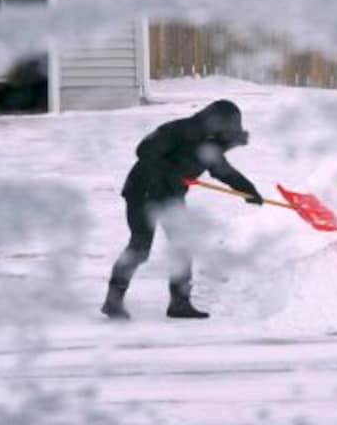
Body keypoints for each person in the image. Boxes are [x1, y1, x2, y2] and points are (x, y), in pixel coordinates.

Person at [101, 99, 263, 320]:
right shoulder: (179, 130)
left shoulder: (210, 145)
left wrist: (248, 190)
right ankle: (113, 302)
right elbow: (144, 150)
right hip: (144, 191)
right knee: (140, 247)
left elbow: (223, 171)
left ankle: (179, 304)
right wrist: (170, 173)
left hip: (170, 196)